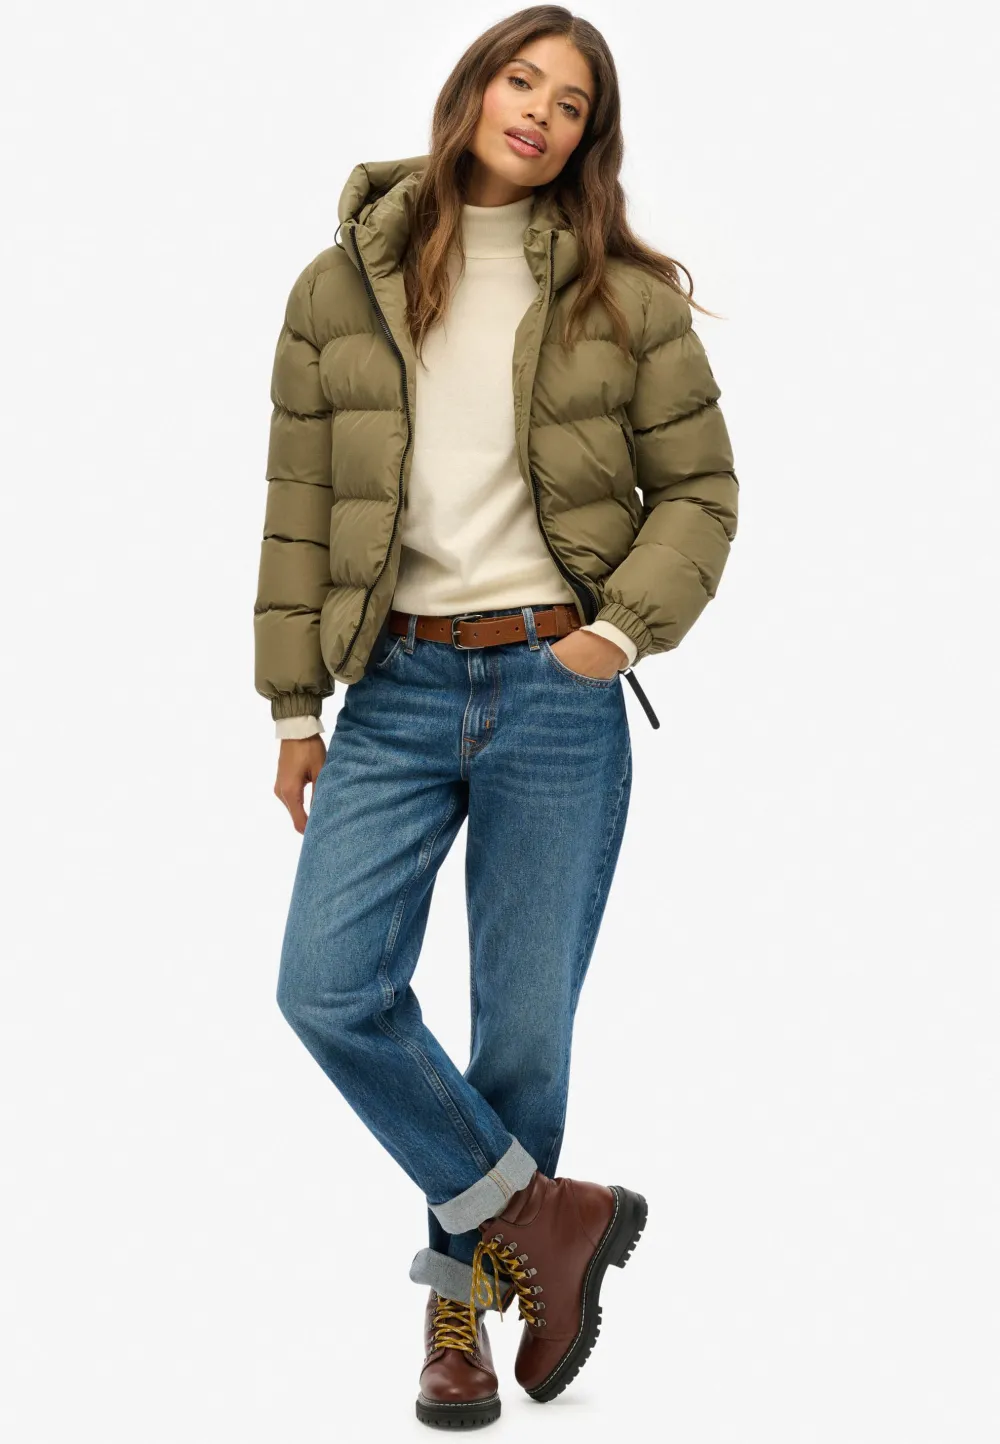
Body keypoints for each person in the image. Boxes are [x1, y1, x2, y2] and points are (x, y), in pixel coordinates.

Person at [253, 7, 738, 1429]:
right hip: (394, 687)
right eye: (522, 80)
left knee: (520, 1031)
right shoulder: (340, 288)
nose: (539, 111)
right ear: (473, 90)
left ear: (591, 139)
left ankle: (457, 1315)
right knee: (327, 987)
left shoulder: (623, 299)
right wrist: (294, 706)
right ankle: (548, 1217)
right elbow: (299, 508)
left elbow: (702, 492)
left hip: (553, 689)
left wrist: (616, 634)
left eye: (572, 103)